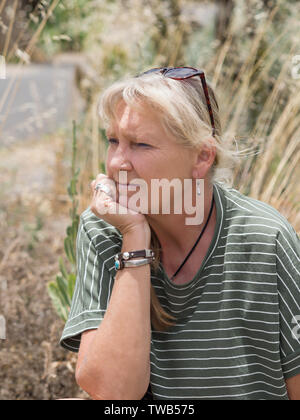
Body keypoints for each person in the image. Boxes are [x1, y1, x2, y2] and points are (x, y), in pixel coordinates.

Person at [60, 66, 300, 400]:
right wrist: (134, 236)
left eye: (140, 145)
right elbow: (114, 393)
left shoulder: (263, 239)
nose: (116, 162)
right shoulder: (105, 227)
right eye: (113, 141)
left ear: (202, 156)